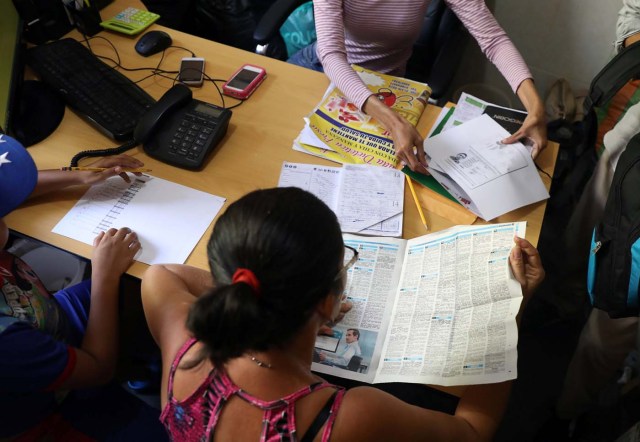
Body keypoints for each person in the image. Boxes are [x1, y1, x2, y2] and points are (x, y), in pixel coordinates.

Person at [141, 186, 544, 441]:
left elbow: (162, 274)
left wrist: (264, 294)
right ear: (327, 302)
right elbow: (472, 433)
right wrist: (512, 310)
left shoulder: (182, 339)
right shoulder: (350, 418)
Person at [0, 134, 163, 439]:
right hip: (50, 412)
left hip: (45, 319)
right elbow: (98, 369)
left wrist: (78, 176)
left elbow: (12, 188)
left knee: (140, 289)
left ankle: (144, 365)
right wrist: (104, 276)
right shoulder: (7, 342)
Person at [288, 0, 547, 172]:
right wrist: (393, 122)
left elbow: (493, 40)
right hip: (327, 75)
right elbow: (331, 54)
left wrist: (535, 107)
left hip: (392, 87)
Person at [555, 0, 640, 421]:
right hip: (633, 135)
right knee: (609, 164)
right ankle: (564, 296)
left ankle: (571, 411)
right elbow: (633, 9)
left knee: (620, 302)